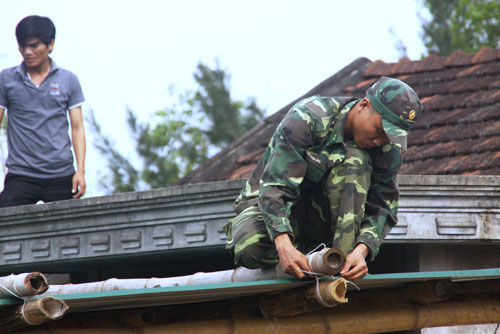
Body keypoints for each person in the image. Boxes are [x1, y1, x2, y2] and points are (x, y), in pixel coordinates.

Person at [223, 76, 422, 281]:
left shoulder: (387, 149)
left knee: (355, 160)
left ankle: (339, 267)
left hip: (325, 224)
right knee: (250, 245)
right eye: (379, 131)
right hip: (273, 212)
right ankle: (310, 259)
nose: (379, 141)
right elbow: (275, 187)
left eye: (388, 137)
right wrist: (284, 246)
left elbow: (383, 205)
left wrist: (362, 251)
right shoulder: (308, 118)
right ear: (364, 105)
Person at [0, 15, 86, 208]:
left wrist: (80, 171)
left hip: (61, 173)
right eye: (23, 46)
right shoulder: (6, 79)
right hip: (21, 174)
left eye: (34, 46)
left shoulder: (68, 80)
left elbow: (78, 128)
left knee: (71, 233)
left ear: (50, 45)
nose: (28, 52)